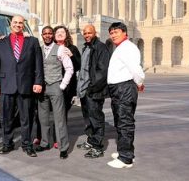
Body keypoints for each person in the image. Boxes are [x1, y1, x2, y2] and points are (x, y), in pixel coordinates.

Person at [0, 15, 44, 157]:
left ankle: (27, 144)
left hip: (26, 85)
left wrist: (38, 82)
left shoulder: (32, 41)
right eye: (15, 22)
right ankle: (7, 143)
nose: (18, 25)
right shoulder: (1, 42)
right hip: (6, 85)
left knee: (26, 118)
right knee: (6, 117)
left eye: (20, 23)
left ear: (23, 25)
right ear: (10, 24)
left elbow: (38, 64)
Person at [106, 21, 145, 169]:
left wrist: (140, 82)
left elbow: (135, 68)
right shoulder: (121, 48)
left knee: (125, 122)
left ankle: (126, 158)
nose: (113, 35)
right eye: (111, 33)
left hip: (124, 88)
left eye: (116, 32)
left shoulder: (128, 48)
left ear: (124, 33)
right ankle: (126, 151)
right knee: (120, 121)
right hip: (118, 89)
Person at [36, 26, 73, 159]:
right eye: (45, 34)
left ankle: (63, 147)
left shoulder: (61, 49)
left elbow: (69, 68)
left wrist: (62, 86)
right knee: (43, 117)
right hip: (42, 88)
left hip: (55, 85)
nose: (47, 36)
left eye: (49, 33)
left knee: (59, 119)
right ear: (42, 35)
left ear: (52, 35)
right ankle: (45, 142)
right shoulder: (38, 49)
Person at [76, 24, 110, 158]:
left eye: (89, 33)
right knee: (88, 119)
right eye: (85, 33)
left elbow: (102, 71)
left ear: (95, 33)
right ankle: (91, 141)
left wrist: (92, 88)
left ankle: (98, 147)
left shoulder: (100, 47)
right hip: (85, 91)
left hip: (93, 91)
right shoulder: (86, 48)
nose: (87, 35)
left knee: (96, 119)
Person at [53, 25, 81, 115]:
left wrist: (72, 56)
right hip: (52, 83)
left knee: (63, 111)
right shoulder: (50, 48)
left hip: (67, 86)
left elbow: (78, 66)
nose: (60, 34)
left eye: (62, 32)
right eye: (57, 32)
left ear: (66, 35)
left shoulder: (72, 48)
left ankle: (60, 129)